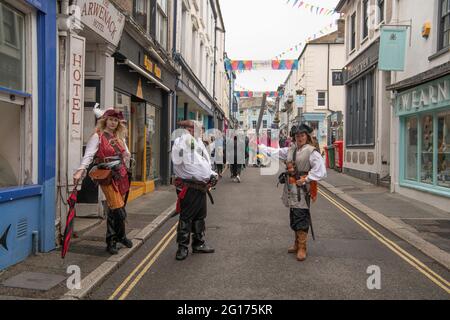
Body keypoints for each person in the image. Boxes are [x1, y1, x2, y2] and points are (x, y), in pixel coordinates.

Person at [258, 123, 326, 262]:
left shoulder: (311, 151)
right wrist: (261, 147)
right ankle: (296, 244)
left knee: (301, 217)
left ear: (307, 136)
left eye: (302, 135)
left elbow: (321, 170)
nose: (299, 138)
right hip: (291, 189)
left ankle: (302, 248)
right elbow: (275, 152)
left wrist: (307, 179)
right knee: (294, 217)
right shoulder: (291, 149)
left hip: (302, 190)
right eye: (297, 136)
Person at [73, 109, 133, 255]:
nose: (113, 122)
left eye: (116, 120)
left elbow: (126, 154)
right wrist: (81, 169)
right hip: (107, 174)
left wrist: (126, 154)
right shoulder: (97, 136)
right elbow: (88, 155)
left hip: (122, 174)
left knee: (114, 207)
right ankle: (117, 238)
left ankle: (116, 239)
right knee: (118, 208)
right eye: (111, 119)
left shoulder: (119, 137)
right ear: (105, 120)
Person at [172, 120, 219, 261]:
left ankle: (198, 243)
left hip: (200, 187)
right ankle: (182, 247)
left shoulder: (197, 142)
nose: (201, 131)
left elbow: (204, 163)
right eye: (198, 129)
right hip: (189, 186)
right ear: (188, 130)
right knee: (186, 218)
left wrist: (212, 174)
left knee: (200, 216)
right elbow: (188, 163)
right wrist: (208, 174)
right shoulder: (182, 142)